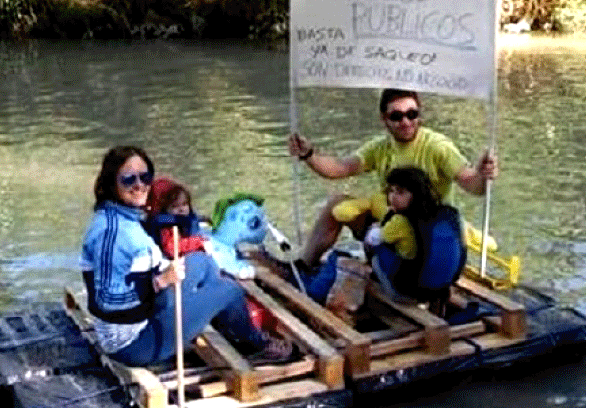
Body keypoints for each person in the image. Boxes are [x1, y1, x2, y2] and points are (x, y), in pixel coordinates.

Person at [79, 146, 292, 366]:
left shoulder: (122, 216)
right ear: (111, 183)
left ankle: (228, 326)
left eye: (145, 177)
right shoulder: (113, 233)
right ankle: (256, 344)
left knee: (202, 261)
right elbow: (106, 301)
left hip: (146, 311)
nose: (139, 185)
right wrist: (159, 282)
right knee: (230, 288)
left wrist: (165, 270)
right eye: (128, 179)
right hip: (134, 342)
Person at [288, 88, 498, 269]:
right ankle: (305, 265)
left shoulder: (438, 147)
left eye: (412, 114)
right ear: (384, 119)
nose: (406, 122)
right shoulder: (380, 147)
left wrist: (483, 174)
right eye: (396, 116)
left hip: (427, 231)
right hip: (391, 222)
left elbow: (472, 184)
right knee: (335, 204)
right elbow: (340, 168)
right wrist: (308, 155)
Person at [363, 167, 466, 312]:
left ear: (416, 194)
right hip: (441, 288)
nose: (392, 197)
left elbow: (372, 239)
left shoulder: (401, 220)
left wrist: (376, 227)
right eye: (391, 191)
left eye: (400, 192)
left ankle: (377, 289)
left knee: (374, 247)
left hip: (407, 293)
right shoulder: (446, 214)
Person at [145, 176, 210, 259]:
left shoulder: (187, 218)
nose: (181, 209)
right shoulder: (168, 227)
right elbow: (172, 249)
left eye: (184, 204)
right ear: (166, 209)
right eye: (175, 206)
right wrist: (198, 243)